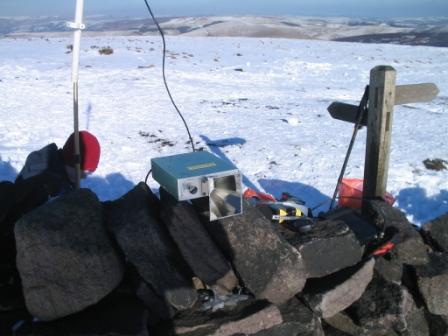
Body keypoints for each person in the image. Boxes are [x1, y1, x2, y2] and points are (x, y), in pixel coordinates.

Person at [0, 131, 101, 324]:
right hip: (13, 249)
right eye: (85, 173)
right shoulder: (51, 188)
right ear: (73, 163)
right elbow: (35, 233)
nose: (85, 178)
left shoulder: (47, 158)